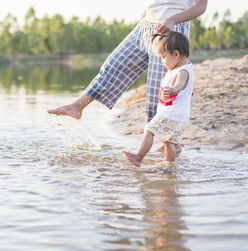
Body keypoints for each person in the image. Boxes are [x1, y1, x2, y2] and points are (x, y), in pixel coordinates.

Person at [47, 0, 207, 123]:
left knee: (159, 95)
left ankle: (168, 146)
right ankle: (77, 106)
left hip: (172, 30)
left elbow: (200, 6)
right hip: (146, 25)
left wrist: (172, 20)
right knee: (113, 66)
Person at [121, 31, 193, 166]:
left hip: (171, 113)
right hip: (178, 115)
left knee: (149, 130)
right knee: (168, 140)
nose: (162, 61)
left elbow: (180, 84)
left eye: (163, 57)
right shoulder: (181, 67)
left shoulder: (182, 72)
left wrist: (173, 90)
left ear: (176, 54)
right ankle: (169, 165)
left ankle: (138, 157)